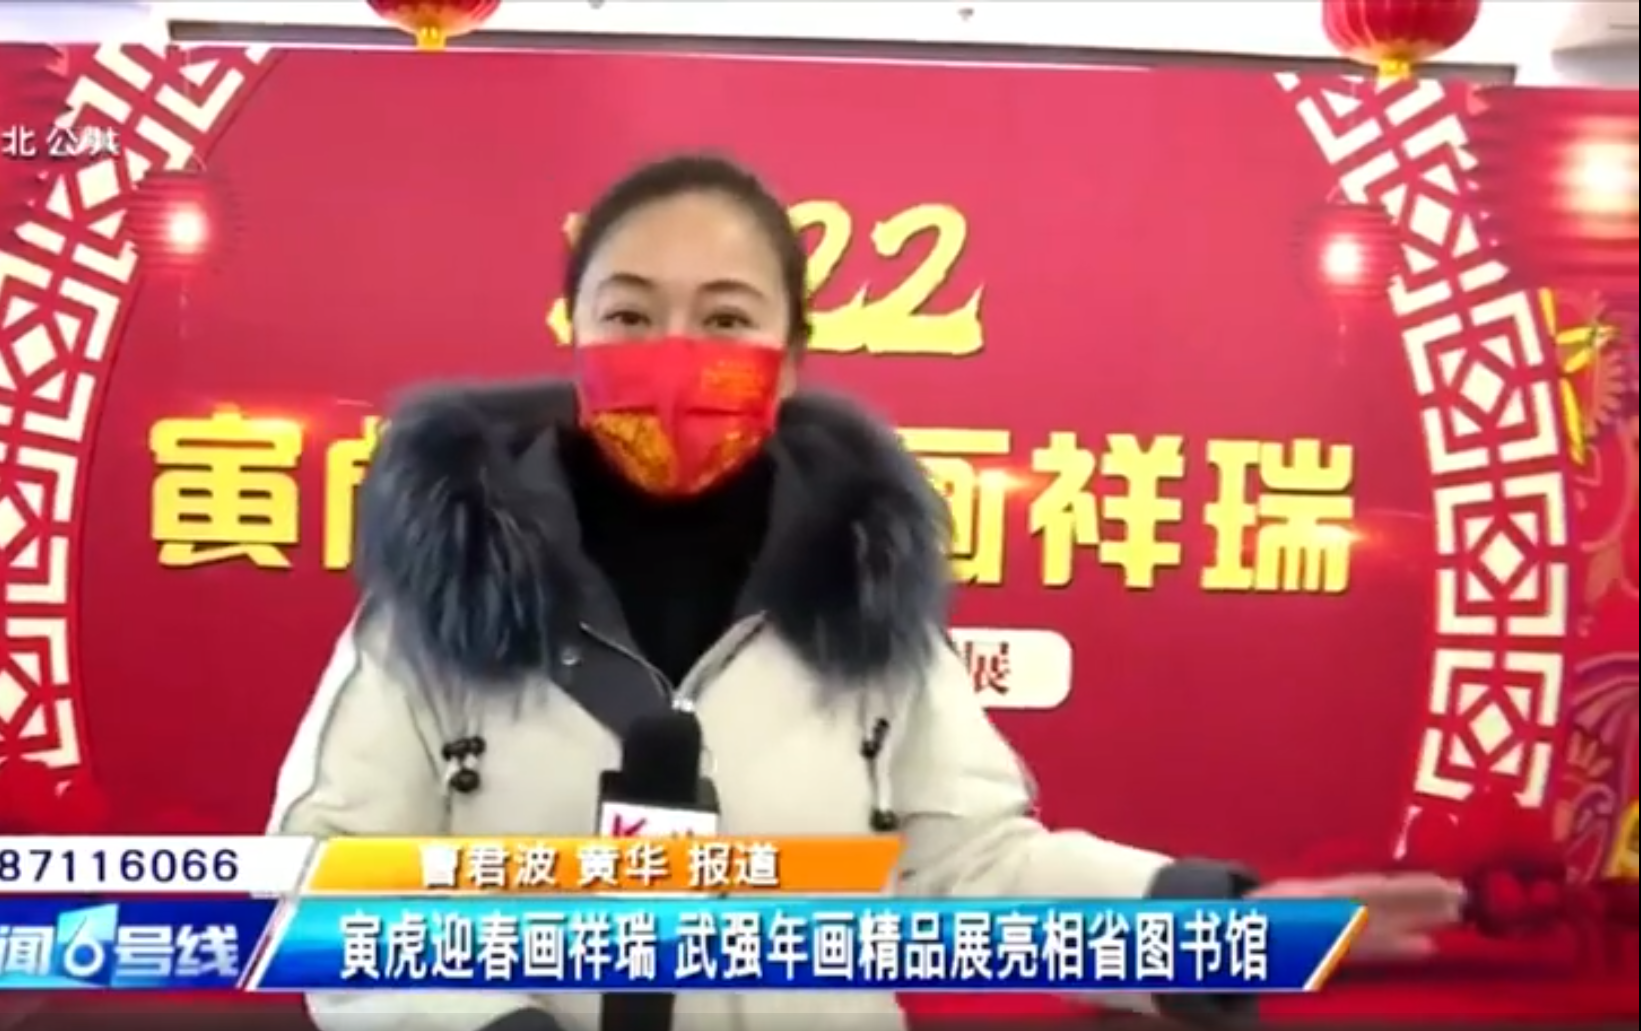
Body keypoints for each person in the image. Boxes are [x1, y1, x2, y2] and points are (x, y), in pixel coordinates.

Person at [270, 154, 1462, 1031]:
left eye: (725, 317)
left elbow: (970, 869)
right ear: (574, 332)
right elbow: (330, 880)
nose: (675, 352)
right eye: (629, 312)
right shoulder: (438, 602)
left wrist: (1212, 923)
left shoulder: (860, 599)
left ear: (790, 358)